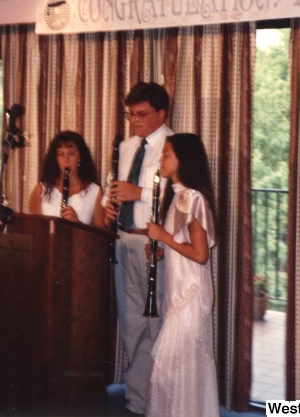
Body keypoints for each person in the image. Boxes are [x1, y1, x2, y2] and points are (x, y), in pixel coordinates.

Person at [103, 81, 173, 414]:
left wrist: (139, 193)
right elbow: (113, 187)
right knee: (131, 323)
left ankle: (152, 399)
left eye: (142, 115)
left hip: (154, 245)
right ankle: (137, 399)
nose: (135, 121)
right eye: (131, 114)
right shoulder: (127, 146)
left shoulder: (174, 147)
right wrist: (108, 204)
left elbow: (180, 197)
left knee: (156, 323)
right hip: (124, 240)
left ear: (162, 113)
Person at [145, 133, 219, 417]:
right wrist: (162, 249)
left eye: (166, 154)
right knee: (174, 371)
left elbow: (200, 255)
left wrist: (164, 236)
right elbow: (182, 245)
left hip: (191, 294)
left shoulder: (192, 199)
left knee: (176, 368)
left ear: (183, 160)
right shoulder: (176, 197)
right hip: (178, 293)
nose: (161, 160)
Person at [28, 130, 105, 226]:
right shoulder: (40, 189)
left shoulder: (95, 192)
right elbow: (33, 229)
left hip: (80, 241)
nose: (66, 159)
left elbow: (102, 237)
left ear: (80, 157)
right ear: (55, 158)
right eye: (60, 154)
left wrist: (78, 224)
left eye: (71, 153)